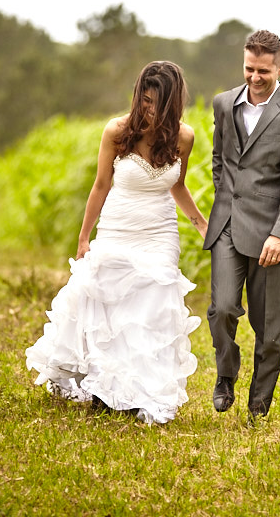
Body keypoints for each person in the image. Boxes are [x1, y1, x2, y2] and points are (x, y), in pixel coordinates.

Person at [25, 60, 208, 425]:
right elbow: (100, 185)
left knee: (150, 307)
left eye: (158, 103)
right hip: (117, 227)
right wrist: (83, 237)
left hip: (159, 233)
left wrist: (202, 224)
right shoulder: (117, 131)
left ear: (173, 104)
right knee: (109, 307)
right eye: (145, 101)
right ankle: (103, 388)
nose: (150, 110)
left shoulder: (184, 137)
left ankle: (143, 392)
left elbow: (177, 185)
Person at [203, 30, 280, 421]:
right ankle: (225, 374)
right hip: (228, 227)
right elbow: (219, 160)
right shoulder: (223, 104)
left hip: (273, 234)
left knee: (269, 329)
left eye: (264, 71)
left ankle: (259, 405)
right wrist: (225, 201)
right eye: (250, 68)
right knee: (221, 309)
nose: (255, 77)